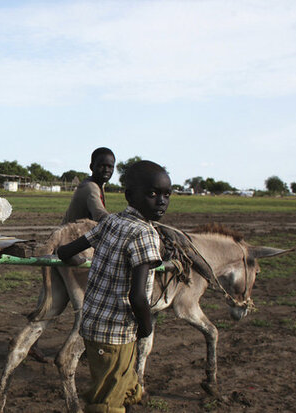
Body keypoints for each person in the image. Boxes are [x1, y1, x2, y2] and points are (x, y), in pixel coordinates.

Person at [56, 160, 172, 413]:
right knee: (107, 400)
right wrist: (146, 326)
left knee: (121, 382)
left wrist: (72, 257)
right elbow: (138, 296)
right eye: (153, 194)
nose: (161, 201)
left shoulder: (111, 222)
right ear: (130, 195)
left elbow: (65, 251)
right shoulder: (146, 234)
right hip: (117, 333)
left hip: (93, 325)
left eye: (166, 195)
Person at [28, 147, 115, 363]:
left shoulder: (93, 186)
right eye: (102, 165)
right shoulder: (91, 188)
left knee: (52, 298)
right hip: (73, 246)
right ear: (91, 166)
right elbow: (99, 215)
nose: (106, 169)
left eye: (110, 166)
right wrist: (122, 224)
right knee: (90, 300)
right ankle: (86, 346)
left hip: (64, 244)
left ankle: (30, 342)